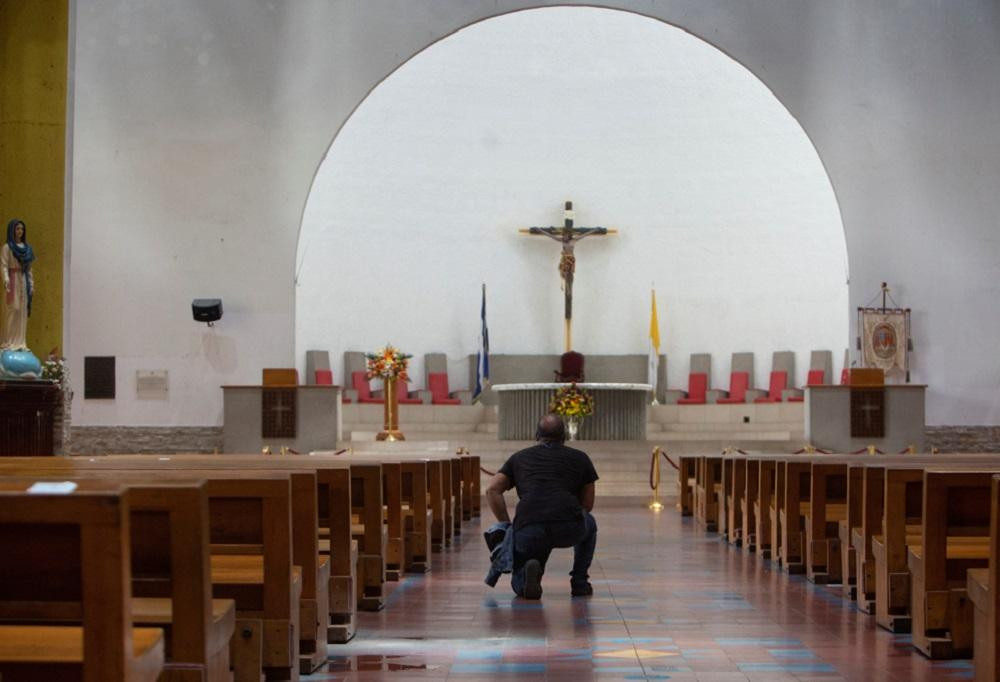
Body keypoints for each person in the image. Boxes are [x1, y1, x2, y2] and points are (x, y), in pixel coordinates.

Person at [484, 414, 598, 599]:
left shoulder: (520, 458)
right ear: (564, 436)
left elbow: (492, 489)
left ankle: (527, 579)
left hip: (529, 526)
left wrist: (507, 525)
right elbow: (587, 505)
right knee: (589, 523)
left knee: (529, 557)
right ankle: (579, 582)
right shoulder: (580, 458)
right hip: (568, 527)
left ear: (537, 435)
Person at [1, 219, 35, 351]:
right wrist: (6, 278)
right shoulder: (7, 247)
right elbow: (3, 265)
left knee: (22, 310)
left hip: (23, 279)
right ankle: (8, 341)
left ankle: (20, 342)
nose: (20, 231)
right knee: (12, 309)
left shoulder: (27, 249)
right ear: (12, 230)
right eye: (17, 229)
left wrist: (31, 284)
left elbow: (29, 268)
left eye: (22, 229)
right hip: (12, 280)